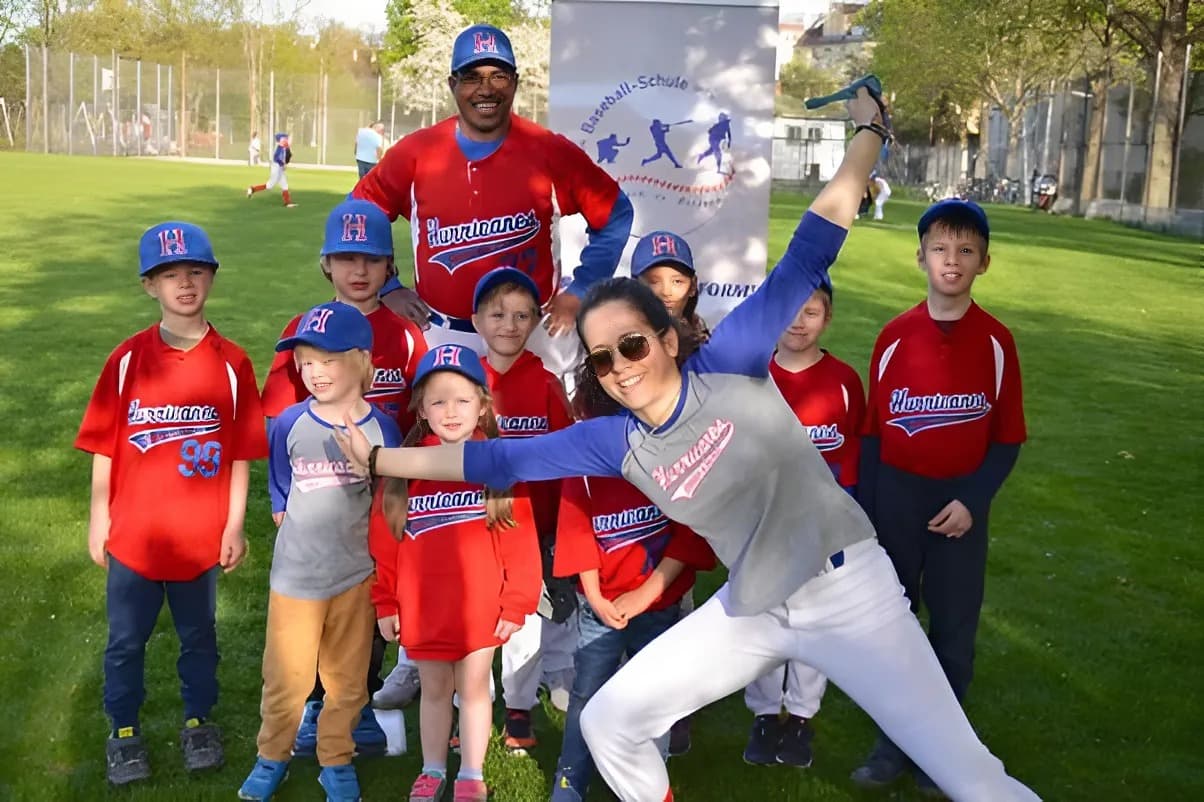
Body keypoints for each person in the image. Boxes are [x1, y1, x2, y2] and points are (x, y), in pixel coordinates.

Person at [334, 87, 1040, 802]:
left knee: (972, 777)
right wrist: (382, 458)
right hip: (756, 605)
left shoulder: (729, 359)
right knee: (611, 719)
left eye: (633, 344)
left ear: (668, 338)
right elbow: (497, 459)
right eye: (602, 358)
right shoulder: (617, 441)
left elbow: (814, 241)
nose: (620, 367)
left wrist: (867, 135)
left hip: (849, 590)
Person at [75, 222, 268, 786]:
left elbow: (240, 456)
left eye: (195, 272)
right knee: (125, 641)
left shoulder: (232, 364)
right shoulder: (128, 360)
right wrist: (98, 519)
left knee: (198, 638)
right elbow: (103, 448)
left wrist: (234, 525)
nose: (184, 283)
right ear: (149, 286)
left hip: (199, 537)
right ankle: (125, 729)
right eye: (169, 275)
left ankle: (198, 718)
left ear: (210, 278)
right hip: (135, 535)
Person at [850, 198, 1026, 796]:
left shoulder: (997, 342)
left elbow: (1007, 441)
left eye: (966, 251)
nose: (952, 261)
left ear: (984, 263)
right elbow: (872, 433)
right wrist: (871, 516)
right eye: (941, 249)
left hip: (960, 508)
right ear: (920, 256)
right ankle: (893, 742)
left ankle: (940, 750)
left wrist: (974, 500)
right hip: (897, 499)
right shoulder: (896, 336)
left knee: (952, 630)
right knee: (894, 629)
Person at [350, 23, 633, 379]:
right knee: (444, 432)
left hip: (533, 333)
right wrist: (387, 285)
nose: (486, 88)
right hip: (443, 332)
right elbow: (360, 212)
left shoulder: (548, 151)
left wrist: (580, 290)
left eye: (498, 76)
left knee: (543, 430)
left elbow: (616, 213)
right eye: (472, 76)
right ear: (453, 85)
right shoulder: (418, 152)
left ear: (514, 82)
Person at [259, 198, 428, 756]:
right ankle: (311, 707)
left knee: (371, 601)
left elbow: (417, 414)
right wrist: (281, 495)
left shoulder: (404, 332)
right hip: (319, 497)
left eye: (372, 259)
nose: (359, 271)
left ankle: (353, 706)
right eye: (345, 257)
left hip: (379, 497)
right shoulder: (303, 329)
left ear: (389, 266)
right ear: (326, 264)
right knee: (308, 609)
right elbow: (278, 422)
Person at [238, 302, 402, 802]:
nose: (314, 372)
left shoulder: (383, 430)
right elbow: (280, 485)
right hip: (295, 579)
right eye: (306, 362)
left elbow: (390, 501)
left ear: (361, 361)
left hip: (354, 576)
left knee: (347, 682)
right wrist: (285, 513)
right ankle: (273, 755)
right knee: (285, 678)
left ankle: (336, 758)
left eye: (327, 360)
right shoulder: (289, 423)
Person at [369, 343, 541, 802]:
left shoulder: (495, 467)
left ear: (482, 405)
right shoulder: (403, 471)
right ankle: (431, 768)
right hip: (423, 607)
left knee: (475, 690)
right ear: (421, 409)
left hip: (481, 607)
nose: (450, 411)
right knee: (433, 691)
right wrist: (386, 600)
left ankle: (470, 772)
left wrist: (517, 602)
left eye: (463, 400)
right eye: (438, 400)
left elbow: (520, 544)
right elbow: (384, 545)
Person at [549, 373, 715, 802]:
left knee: (652, 696)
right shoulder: (585, 465)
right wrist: (597, 596)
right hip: (599, 604)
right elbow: (576, 533)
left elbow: (689, 534)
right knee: (588, 693)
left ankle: (646, 784)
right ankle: (571, 778)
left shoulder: (672, 458)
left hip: (658, 601)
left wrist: (645, 594)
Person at [740, 283, 865, 769]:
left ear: (827, 318)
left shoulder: (843, 381)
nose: (799, 321)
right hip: (763, 522)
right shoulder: (753, 377)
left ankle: (802, 717)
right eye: (791, 311)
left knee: (815, 619)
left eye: (811, 311)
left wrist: (842, 515)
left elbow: (851, 451)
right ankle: (766, 713)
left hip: (821, 524)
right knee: (765, 615)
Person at [469, 268, 578, 754]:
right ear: (476, 320)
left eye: (521, 315)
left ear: (536, 320)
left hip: (531, 528)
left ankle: (517, 705)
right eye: (497, 314)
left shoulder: (546, 383)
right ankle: (468, 702)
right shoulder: (464, 379)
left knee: (523, 622)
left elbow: (567, 461)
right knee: (472, 618)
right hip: (471, 526)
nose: (509, 325)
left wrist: (556, 529)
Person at [246, 132, 295, 208]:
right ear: (281, 140)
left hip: (279, 168)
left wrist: (286, 160)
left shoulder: (283, 147)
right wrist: (283, 164)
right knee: (269, 186)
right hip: (276, 168)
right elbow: (276, 158)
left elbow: (287, 155)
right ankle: (252, 189)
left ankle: (287, 203)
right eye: (285, 138)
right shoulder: (279, 147)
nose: (287, 140)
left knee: (285, 185)